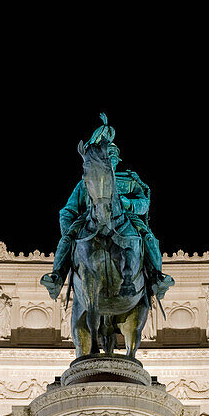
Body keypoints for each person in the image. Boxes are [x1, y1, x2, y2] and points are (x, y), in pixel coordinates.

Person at [42, 115, 173, 304]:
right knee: (67, 239)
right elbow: (67, 210)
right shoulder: (86, 183)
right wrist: (68, 233)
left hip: (125, 218)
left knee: (148, 237)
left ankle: (157, 277)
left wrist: (127, 204)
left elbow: (144, 204)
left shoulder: (129, 179)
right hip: (90, 218)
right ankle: (56, 277)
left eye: (112, 155)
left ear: (118, 159)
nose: (109, 159)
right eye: (106, 155)